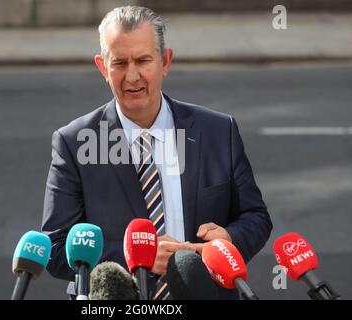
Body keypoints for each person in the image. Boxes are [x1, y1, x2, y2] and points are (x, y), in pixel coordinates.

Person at [42, 6, 272, 300]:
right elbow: (56, 249)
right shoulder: (74, 142)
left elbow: (255, 217)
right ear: (103, 68)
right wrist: (138, 259)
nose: (132, 76)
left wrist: (228, 240)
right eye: (120, 63)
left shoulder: (217, 130)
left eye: (143, 60)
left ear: (165, 61)